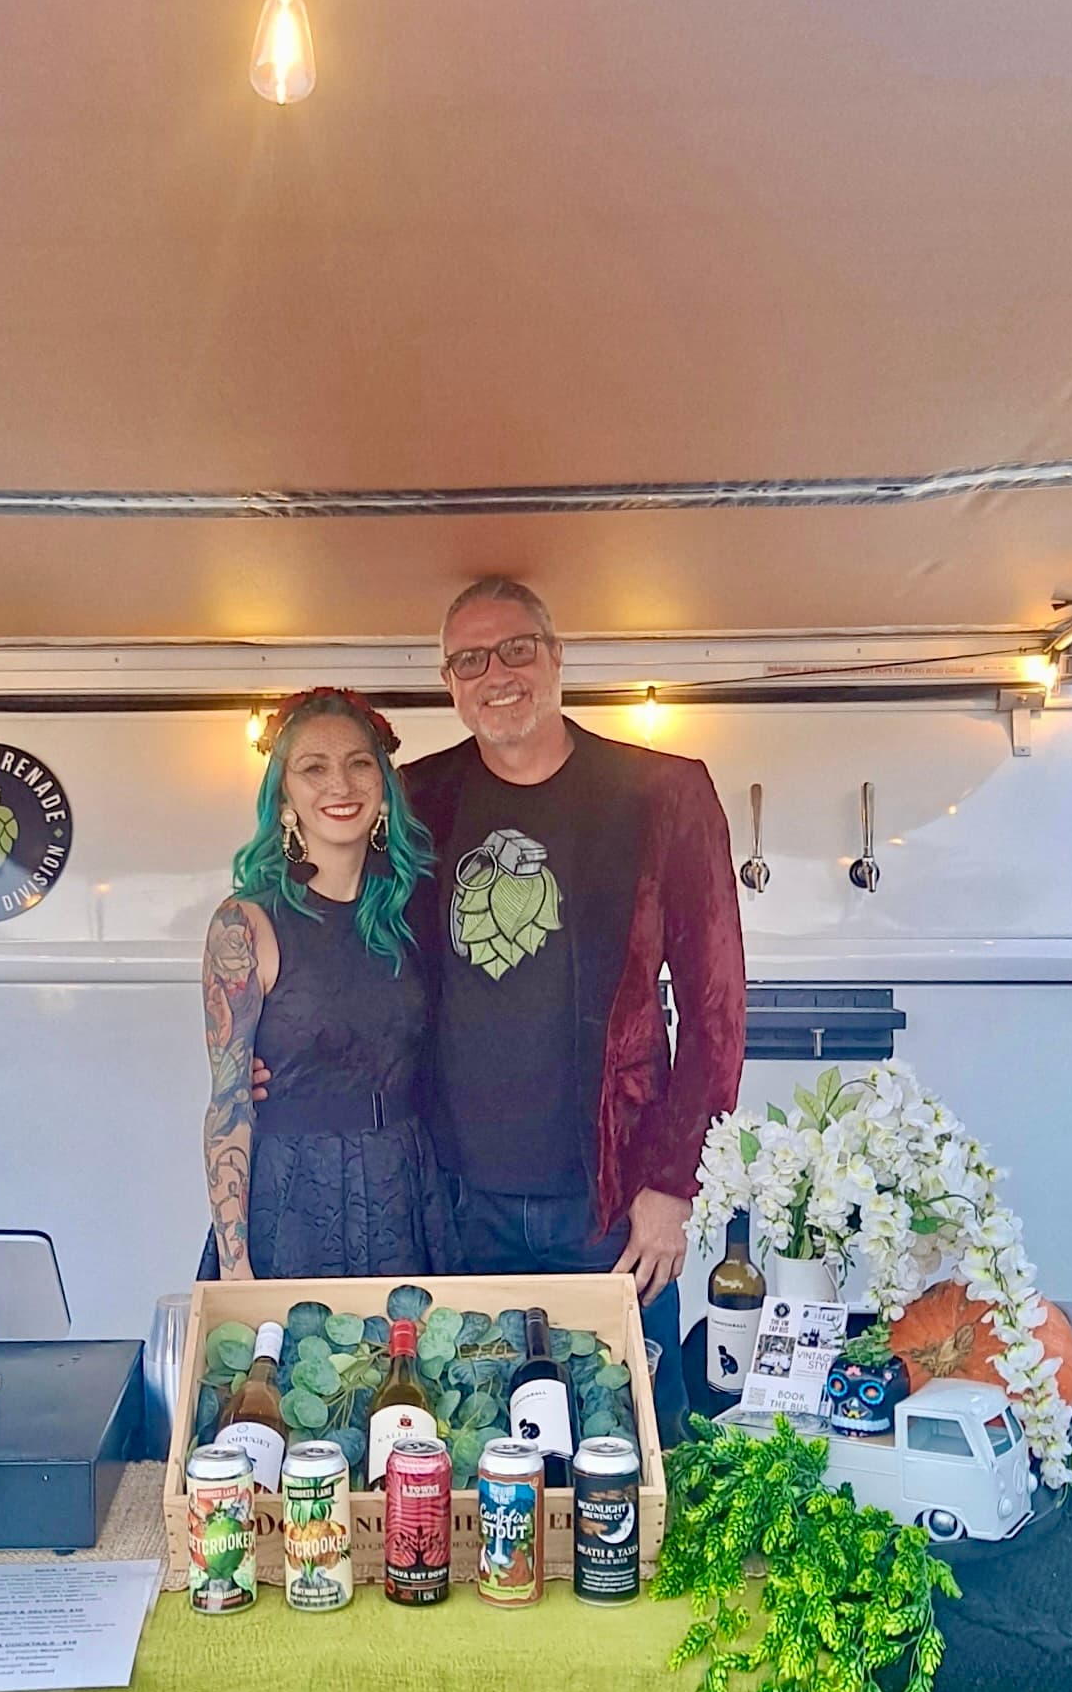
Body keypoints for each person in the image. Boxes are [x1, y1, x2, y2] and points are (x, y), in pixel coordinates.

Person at [404, 578, 747, 1440]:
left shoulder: (661, 793)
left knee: (627, 1442)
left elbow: (715, 1009)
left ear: (557, 659)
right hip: (458, 1201)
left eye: (517, 649)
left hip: (612, 1203)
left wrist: (674, 1182)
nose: (497, 675)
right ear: (450, 682)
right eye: (470, 660)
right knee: (474, 1446)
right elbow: (362, 953)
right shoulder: (416, 801)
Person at [200, 687, 458, 1280]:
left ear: (384, 787)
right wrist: (235, 1267)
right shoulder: (244, 924)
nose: (339, 785)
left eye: (358, 763)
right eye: (313, 767)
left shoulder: (415, 910)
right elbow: (228, 1104)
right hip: (290, 1195)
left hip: (406, 1185)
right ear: (284, 795)